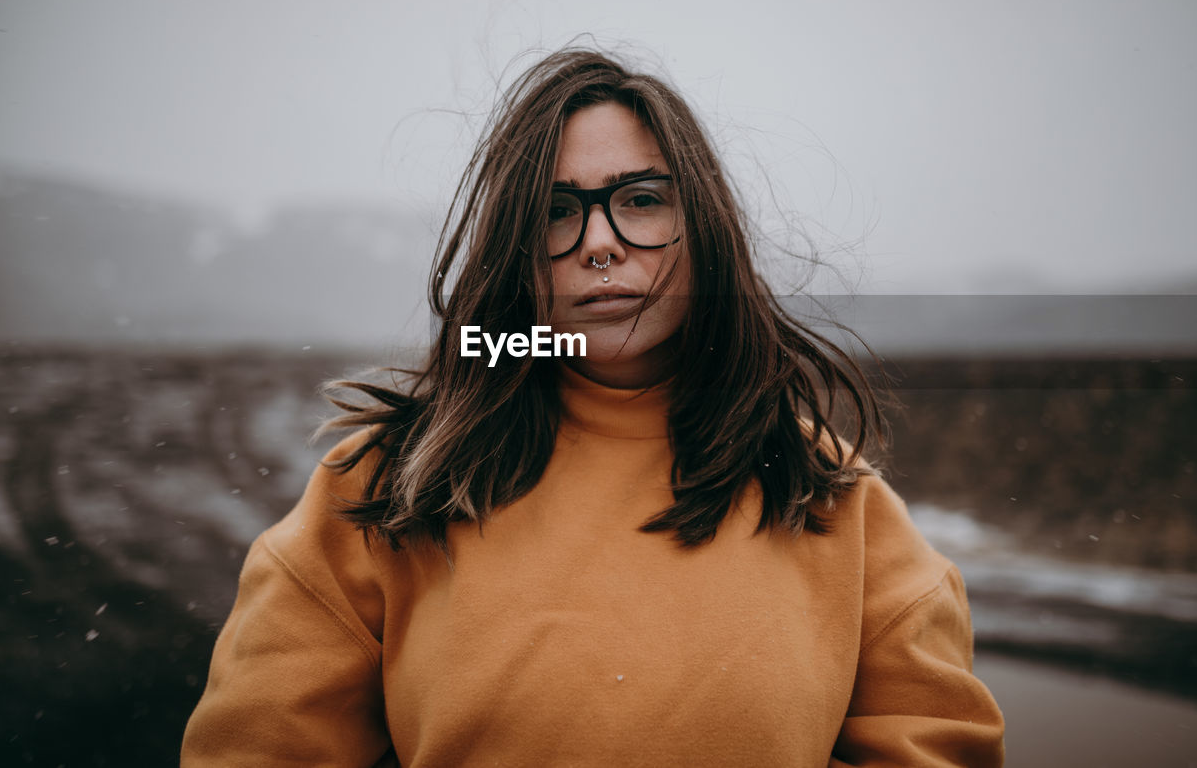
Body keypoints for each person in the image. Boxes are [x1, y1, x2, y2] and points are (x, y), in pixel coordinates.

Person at [181, 46, 1005, 766]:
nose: (600, 242)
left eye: (641, 199)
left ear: (704, 225)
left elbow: (934, 739)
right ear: (514, 252)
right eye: (555, 212)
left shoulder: (829, 495)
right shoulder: (389, 487)